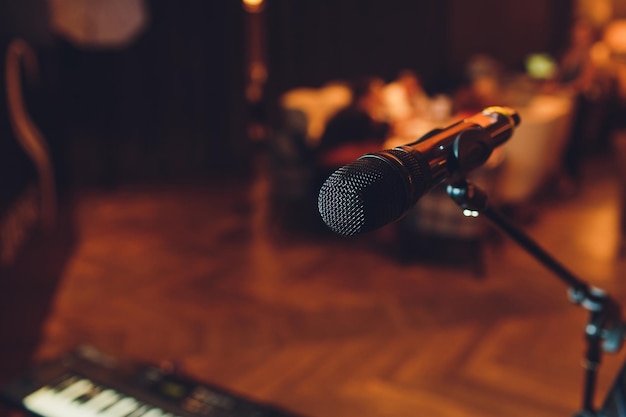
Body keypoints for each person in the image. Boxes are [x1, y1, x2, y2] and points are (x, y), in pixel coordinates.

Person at [315, 76, 390, 170]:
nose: (382, 96)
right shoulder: (352, 116)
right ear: (366, 95)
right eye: (377, 92)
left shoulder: (365, 115)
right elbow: (334, 154)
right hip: (332, 171)